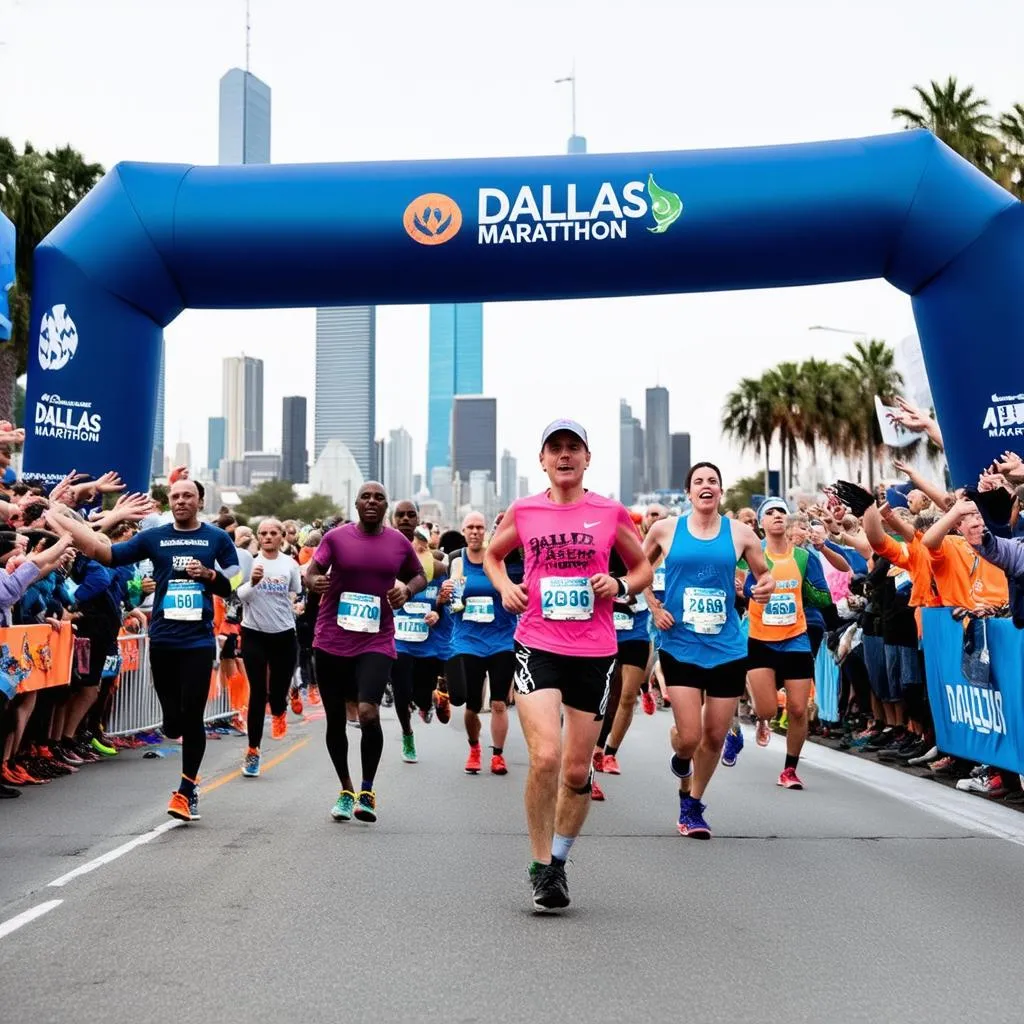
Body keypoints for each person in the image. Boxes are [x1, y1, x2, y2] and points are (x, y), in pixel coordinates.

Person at [483, 419, 652, 913]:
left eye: (572, 448)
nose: (563, 456)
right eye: (554, 448)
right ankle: (540, 865)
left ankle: (558, 860)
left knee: (578, 770)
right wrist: (504, 585)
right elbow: (494, 555)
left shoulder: (609, 511)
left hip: (596, 651)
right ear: (542, 460)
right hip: (537, 642)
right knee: (547, 758)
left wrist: (620, 587)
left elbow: (641, 566)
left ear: (586, 458)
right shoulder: (525, 509)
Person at [46, 481, 240, 822]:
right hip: (163, 638)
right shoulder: (155, 538)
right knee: (174, 722)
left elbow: (235, 584)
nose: (181, 501)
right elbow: (104, 553)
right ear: (170, 502)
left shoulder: (217, 539)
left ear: (200, 501)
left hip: (197, 639)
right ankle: (171, 719)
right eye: (176, 496)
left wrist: (210, 575)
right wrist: (57, 515)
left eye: (188, 496)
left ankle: (186, 790)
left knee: (193, 717)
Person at [644, 463, 773, 838]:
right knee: (689, 736)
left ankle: (692, 804)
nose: (706, 486)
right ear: (688, 492)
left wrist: (762, 586)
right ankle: (682, 756)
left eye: (712, 481)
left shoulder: (742, 533)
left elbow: (762, 575)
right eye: (698, 481)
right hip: (680, 643)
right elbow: (639, 569)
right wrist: (655, 606)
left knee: (715, 736)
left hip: (726, 645)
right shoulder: (666, 529)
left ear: (720, 491)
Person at [307, 482, 427, 824]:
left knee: (368, 712)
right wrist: (313, 581)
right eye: (366, 497)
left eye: (379, 498)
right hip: (331, 639)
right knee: (335, 721)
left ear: (385, 506)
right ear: (356, 504)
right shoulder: (336, 538)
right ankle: (345, 789)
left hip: (376, 640)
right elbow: (312, 571)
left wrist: (407, 588)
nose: (372, 502)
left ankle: (367, 789)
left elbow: (418, 575)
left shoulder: (398, 542)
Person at [743, 498, 832, 790]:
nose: (777, 515)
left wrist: (801, 589)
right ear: (761, 523)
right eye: (769, 512)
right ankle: (761, 718)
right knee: (768, 709)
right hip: (760, 639)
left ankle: (790, 770)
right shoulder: (753, 554)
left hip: (796, 638)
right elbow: (745, 589)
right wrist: (754, 591)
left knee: (797, 708)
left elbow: (824, 596)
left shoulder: (805, 558)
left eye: (781, 510)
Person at [448, 511, 520, 775]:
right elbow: (452, 605)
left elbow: (512, 590)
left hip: (501, 640)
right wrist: (448, 598)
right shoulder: (457, 561)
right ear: (463, 531)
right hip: (468, 641)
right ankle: (474, 746)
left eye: (480, 527)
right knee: (472, 705)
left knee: (499, 702)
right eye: (470, 527)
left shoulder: (497, 560)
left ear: (486, 532)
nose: (475, 532)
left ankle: (498, 755)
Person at [238, 518, 302, 778]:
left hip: (284, 634)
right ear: (258, 536)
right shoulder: (250, 563)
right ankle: (253, 751)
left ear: (281, 537)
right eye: (263, 533)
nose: (267, 537)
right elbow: (239, 595)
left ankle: (279, 710)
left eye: (273, 533)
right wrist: (252, 581)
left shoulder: (290, 564)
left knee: (277, 692)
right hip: (253, 633)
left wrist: (293, 605)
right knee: (257, 693)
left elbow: (294, 592)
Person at [391, 511, 454, 763]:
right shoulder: (393, 569)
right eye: (412, 548)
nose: (417, 552)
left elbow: (450, 605)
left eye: (422, 547)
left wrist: (437, 610)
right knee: (401, 692)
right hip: (400, 642)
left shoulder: (439, 570)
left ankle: (429, 701)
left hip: (428, 645)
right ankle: (407, 735)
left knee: (420, 694)